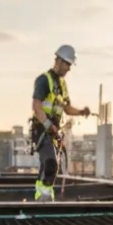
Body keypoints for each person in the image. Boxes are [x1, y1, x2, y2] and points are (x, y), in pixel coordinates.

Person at [31, 45, 91, 201]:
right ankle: (44, 198)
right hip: (42, 129)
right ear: (58, 60)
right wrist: (47, 125)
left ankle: (43, 197)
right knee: (51, 163)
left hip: (52, 131)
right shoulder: (44, 80)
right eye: (67, 64)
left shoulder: (62, 85)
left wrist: (80, 112)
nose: (68, 69)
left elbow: (66, 108)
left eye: (70, 65)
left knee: (47, 165)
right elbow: (37, 107)